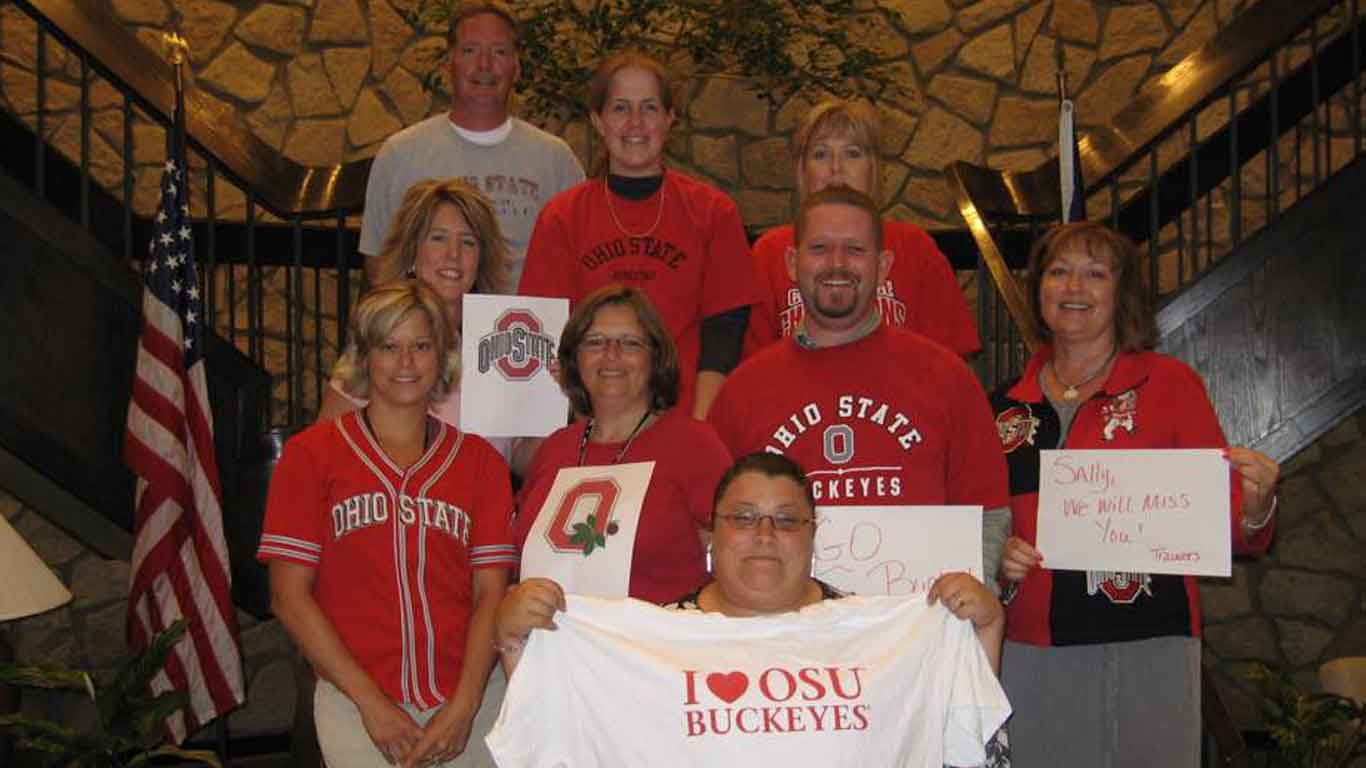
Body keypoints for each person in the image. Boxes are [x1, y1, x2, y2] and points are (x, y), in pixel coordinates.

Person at [490, 453, 1010, 767]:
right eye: (742, 518)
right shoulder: (652, 640)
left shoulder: (880, 636)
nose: (764, 535)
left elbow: (964, 730)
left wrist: (985, 627)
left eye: (786, 520)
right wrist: (516, 641)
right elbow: (560, 724)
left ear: (812, 535)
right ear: (711, 535)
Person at [990, 221, 1279, 767]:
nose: (1074, 287)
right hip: (1030, 641)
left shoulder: (1169, 385)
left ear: (1121, 294)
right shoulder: (1002, 406)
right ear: (1038, 289)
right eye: (1058, 271)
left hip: (1148, 640)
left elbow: (1228, 526)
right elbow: (982, 521)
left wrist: (1257, 505)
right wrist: (996, 555)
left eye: (1095, 274)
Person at [258, 281, 515, 768]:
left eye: (422, 345)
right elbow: (288, 597)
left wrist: (465, 706)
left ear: (443, 356)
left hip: (473, 700)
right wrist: (371, 705)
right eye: (389, 346)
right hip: (355, 705)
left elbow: (491, 594)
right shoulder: (310, 456)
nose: (406, 363)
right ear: (364, 356)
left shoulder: (480, 463)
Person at [708, 185, 1012, 585]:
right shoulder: (743, 390)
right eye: (819, 249)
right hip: (783, 620)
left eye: (854, 250)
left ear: (883, 266)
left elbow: (987, 514)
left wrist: (968, 599)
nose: (837, 264)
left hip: (914, 616)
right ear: (792, 263)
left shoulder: (947, 377)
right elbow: (713, 525)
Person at [518, 51, 760, 419]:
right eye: (620, 108)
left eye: (649, 108)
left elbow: (724, 335)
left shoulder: (714, 212)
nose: (635, 123)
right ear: (598, 121)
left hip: (685, 419)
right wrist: (591, 431)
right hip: (591, 421)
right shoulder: (561, 218)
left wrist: (699, 428)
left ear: (669, 119)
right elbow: (549, 337)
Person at [511, 284, 732, 604]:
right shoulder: (554, 449)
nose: (611, 354)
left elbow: (737, 550)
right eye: (595, 342)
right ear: (574, 359)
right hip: (554, 634)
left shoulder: (694, 445)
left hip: (657, 632)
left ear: (655, 359)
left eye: (630, 343)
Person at [360, 2, 584, 293]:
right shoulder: (400, 154)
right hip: (432, 319)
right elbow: (380, 266)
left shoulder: (557, 160)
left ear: (516, 68)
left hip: (526, 320)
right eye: (470, 51)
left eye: (499, 52)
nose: (484, 65)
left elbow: (581, 263)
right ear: (449, 64)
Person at [746, 98, 979, 358]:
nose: (836, 169)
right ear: (803, 171)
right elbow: (753, 367)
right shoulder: (770, 252)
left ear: (873, 169)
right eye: (821, 154)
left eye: (852, 153)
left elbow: (951, 362)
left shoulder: (915, 247)